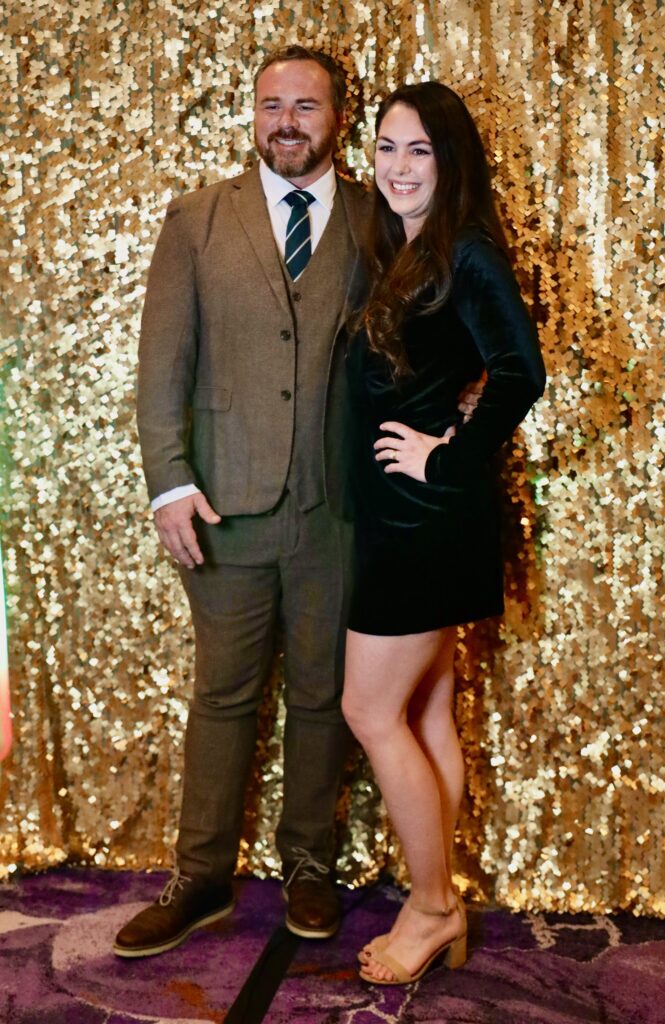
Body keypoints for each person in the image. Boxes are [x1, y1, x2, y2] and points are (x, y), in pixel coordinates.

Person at [114, 46, 371, 957]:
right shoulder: (196, 218)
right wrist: (169, 483)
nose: (285, 122)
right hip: (222, 503)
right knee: (221, 695)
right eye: (271, 104)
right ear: (254, 114)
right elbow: (161, 364)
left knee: (322, 694)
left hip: (339, 510)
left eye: (305, 105)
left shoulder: (378, 218)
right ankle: (200, 877)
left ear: (338, 118)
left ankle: (308, 864)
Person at [341, 82, 546, 985]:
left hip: (419, 522)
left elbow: (520, 371)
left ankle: (430, 907)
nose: (397, 167)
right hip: (404, 520)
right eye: (386, 147)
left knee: (368, 710)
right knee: (422, 712)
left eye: (418, 149)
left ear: (450, 160)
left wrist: (447, 456)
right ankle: (438, 900)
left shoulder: (465, 250)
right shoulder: (410, 247)